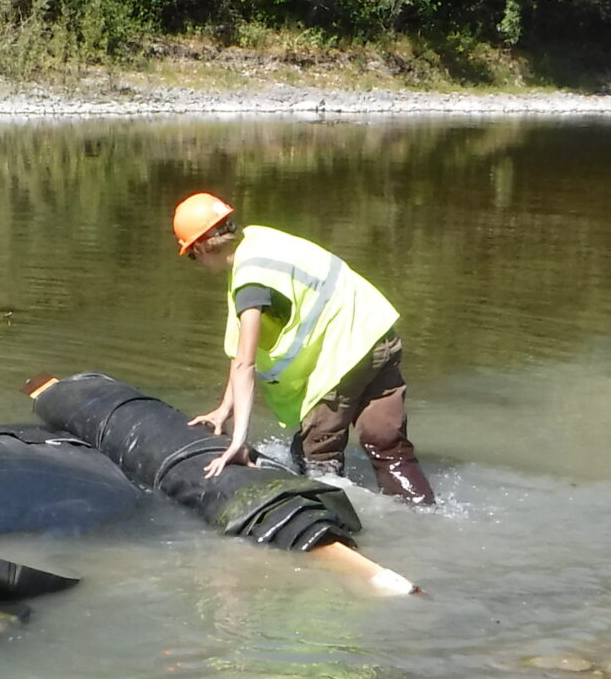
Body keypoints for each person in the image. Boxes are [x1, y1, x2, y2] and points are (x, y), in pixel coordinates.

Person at [171, 191, 435, 505]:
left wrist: (239, 441)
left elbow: (245, 363)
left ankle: (332, 522)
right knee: (387, 445)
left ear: (199, 246)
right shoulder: (260, 239)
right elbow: (243, 350)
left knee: (317, 455)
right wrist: (225, 408)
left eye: (191, 255)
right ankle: (425, 513)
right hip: (378, 334)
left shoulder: (249, 281)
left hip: (344, 356)